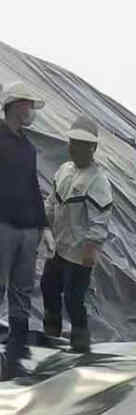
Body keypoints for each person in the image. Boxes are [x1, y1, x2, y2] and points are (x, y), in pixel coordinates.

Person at [39, 115, 113, 352]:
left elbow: (99, 220)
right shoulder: (64, 170)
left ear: (93, 148)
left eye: (81, 144)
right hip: (59, 247)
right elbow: (52, 203)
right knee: (48, 287)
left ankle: (81, 345)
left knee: (73, 299)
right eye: (72, 142)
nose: (74, 148)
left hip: (80, 255)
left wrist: (91, 248)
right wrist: (42, 226)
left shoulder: (98, 181)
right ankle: (51, 338)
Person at [0, 80, 51, 380]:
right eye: (29, 105)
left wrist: (44, 226)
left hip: (27, 230)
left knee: (21, 291)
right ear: (15, 105)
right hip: (2, 226)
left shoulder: (29, 148)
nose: (32, 111)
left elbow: (34, 188)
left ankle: (16, 355)